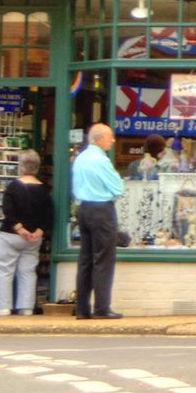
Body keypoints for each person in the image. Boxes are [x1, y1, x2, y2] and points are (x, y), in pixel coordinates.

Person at [72, 123, 126, 320]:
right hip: (102, 210)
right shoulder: (100, 160)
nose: (112, 141)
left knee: (85, 260)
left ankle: (82, 309)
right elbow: (118, 188)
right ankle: (102, 308)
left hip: (83, 209)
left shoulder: (81, 158)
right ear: (98, 139)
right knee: (103, 260)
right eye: (109, 137)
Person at [0, 150, 52, 316]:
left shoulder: (13, 187)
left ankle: (4, 306)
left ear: (21, 167)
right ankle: (26, 307)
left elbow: (8, 211)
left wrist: (20, 229)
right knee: (28, 271)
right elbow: (48, 213)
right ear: (37, 168)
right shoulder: (43, 190)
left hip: (10, 236)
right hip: (33, 239)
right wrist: (38, 231)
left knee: (4, 270)